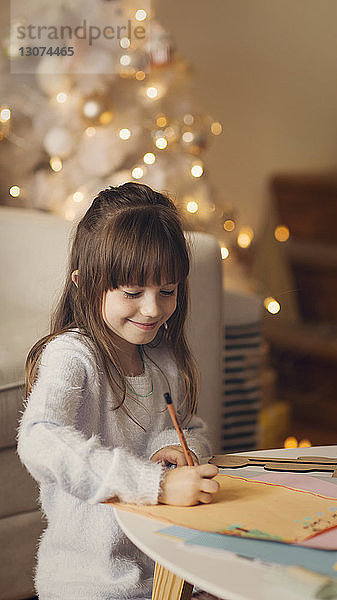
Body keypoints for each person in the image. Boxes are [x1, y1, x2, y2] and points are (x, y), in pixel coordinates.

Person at [17, 182, 220, 600]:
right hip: (90, 585)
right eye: (132, 292)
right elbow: (39, 439)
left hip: (165, 574)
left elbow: (190, 426)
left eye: (167, 291)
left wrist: (179, 449)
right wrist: (157, 486)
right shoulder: (72, 356)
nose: (153, 309)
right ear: (83, 283)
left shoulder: (162, 359)